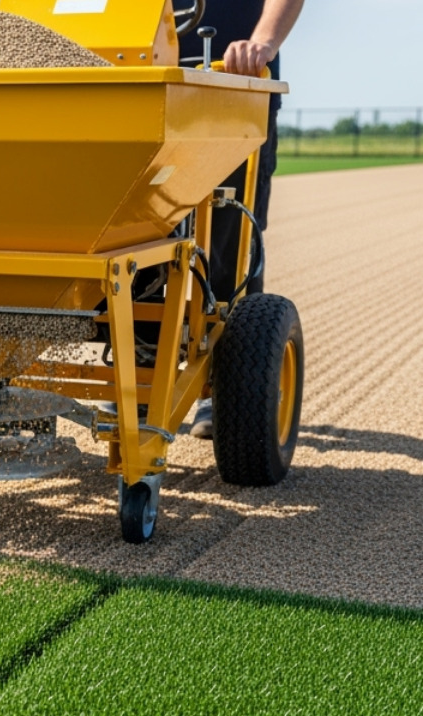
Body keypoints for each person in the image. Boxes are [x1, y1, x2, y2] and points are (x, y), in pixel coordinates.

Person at [177, 0, 303, 438]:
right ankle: (139, 369)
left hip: (236, 80)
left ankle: (225, 388)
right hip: (142, 75)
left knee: (230, 233)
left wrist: (262, 43)